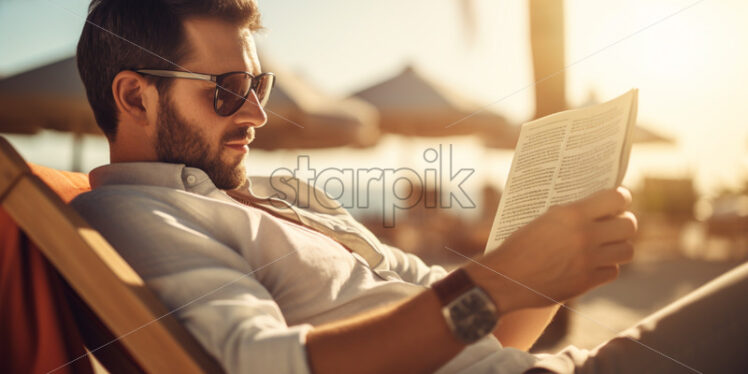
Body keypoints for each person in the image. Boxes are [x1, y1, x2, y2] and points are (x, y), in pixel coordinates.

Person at [71, 1, 748, 373]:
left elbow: (481, 335)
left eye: (258, 85)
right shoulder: (134, 213)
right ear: (134, 96)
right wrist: (495, 281)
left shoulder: (292, 195)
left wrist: (552, 274)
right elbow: (262, 368)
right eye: (226, 89)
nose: (256, 112)